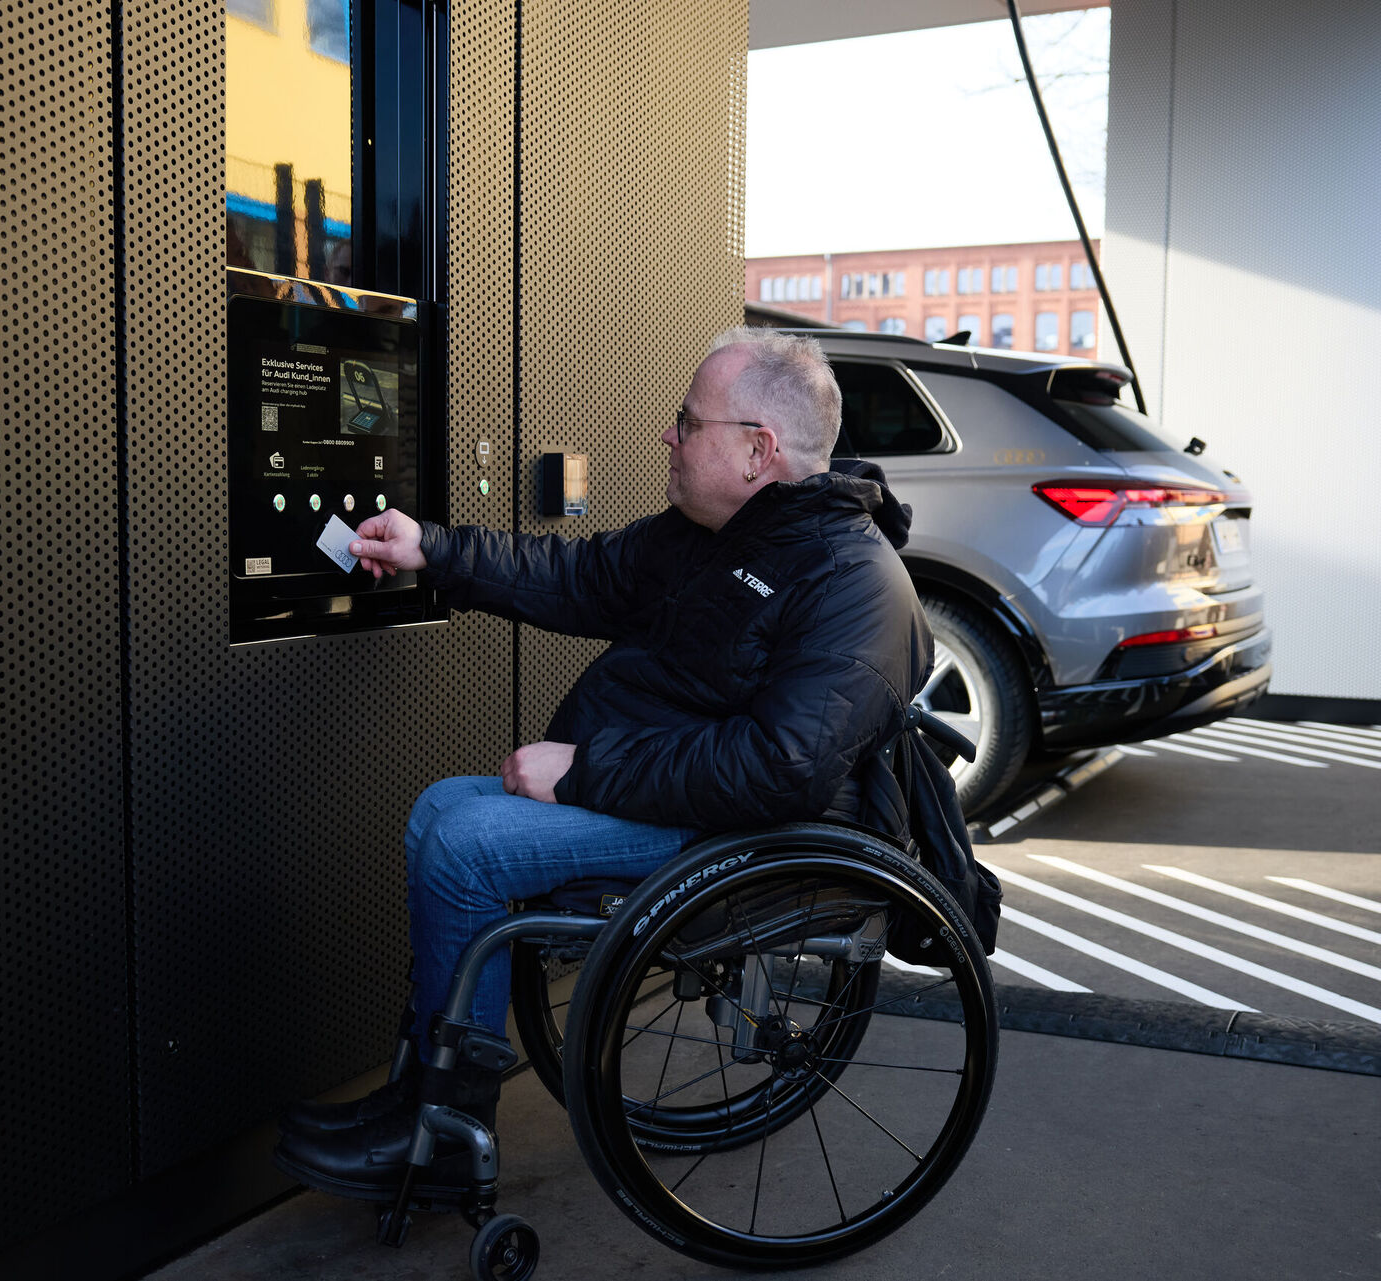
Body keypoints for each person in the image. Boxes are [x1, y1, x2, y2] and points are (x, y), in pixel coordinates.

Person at [273, 327, 932, 1199]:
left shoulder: (852, 580)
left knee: (465, 843)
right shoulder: (716, 534)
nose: (669, 435)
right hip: (677, 795)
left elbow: (780, 768)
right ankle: (424, 1097)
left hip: (752, 831)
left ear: (756, 450)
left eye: (688, 421)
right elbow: (579, 574)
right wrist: (431, 548)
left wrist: (582, 771)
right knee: (440, 807)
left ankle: (444, 1138)